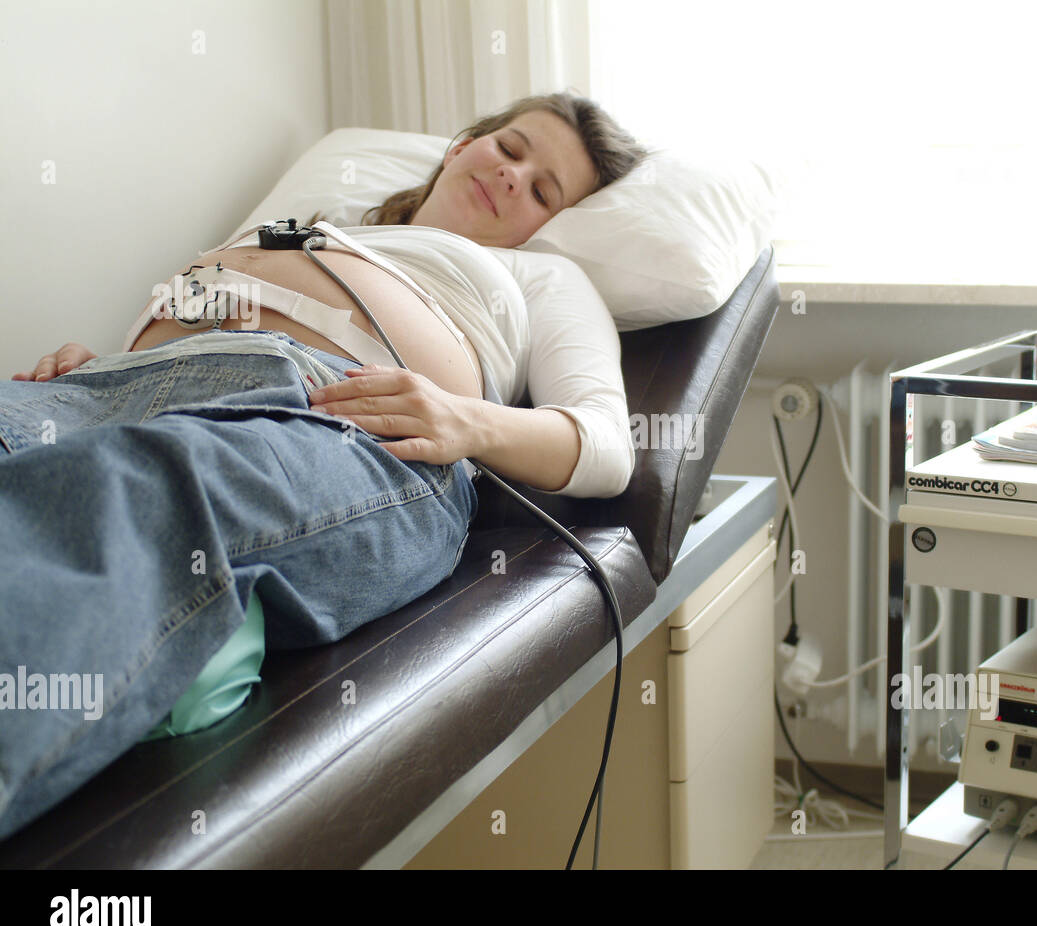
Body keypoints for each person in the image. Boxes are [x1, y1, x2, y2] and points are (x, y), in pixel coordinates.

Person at [0, 92, 647, 841]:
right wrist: (101, 365)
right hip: (125, 385)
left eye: (544, 190)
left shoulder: (540, 280)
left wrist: (461, 418)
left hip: (340, 418)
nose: (514, 177)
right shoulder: (328, 227)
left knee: (132, 490)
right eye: (510, 148)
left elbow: (605, 445)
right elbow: (193, 305)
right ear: (461, 145)